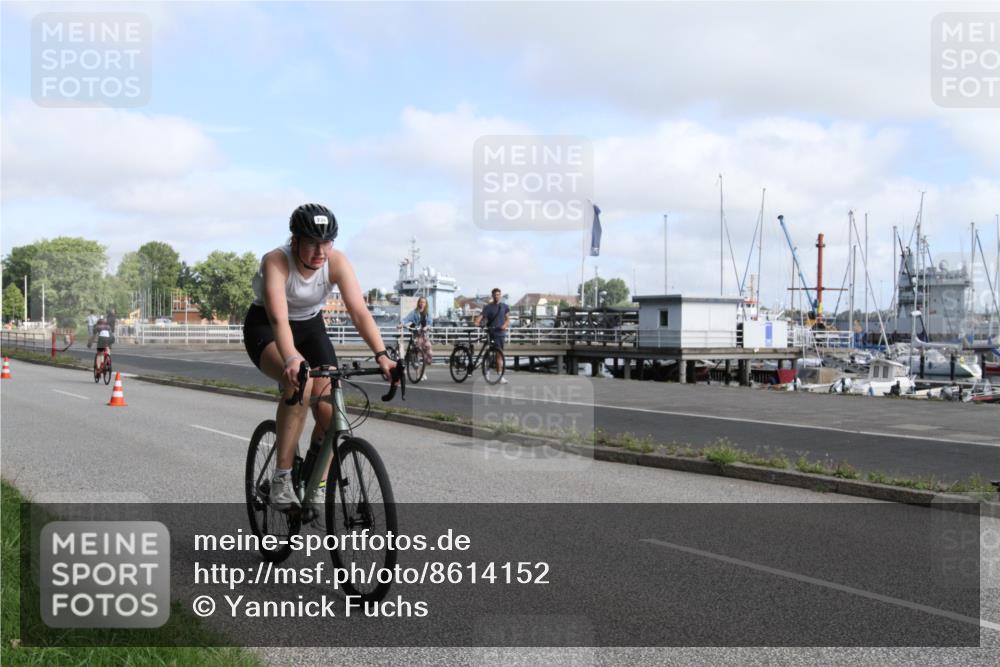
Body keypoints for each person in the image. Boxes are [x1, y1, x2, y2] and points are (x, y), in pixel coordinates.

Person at [243, 203, 396, 511]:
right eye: (312, 243)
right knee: (301, 385)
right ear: (295, 241)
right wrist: (291, 358)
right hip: (268, 327)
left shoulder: (336, 262)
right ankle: (282, 479)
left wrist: (382, 355)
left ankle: (316, 481)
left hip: (311, 328)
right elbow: (279, 319)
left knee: (330, 411)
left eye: (327, 243)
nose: (320, 251)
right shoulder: (276, 261)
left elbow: (358, 312)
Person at [474, 287, 509, 384]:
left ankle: (500, 375)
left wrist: (504, 325)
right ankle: (487, 372)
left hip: (500, 333)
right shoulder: (488, 307)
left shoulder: (504, 306)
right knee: (488, 353)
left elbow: (507, 319)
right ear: (492, 296)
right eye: (495, 295)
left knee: (499, 355)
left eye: (498, 294)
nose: (497, 296)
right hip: (491, 332)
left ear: (500, 295)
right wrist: (477, 322)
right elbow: (481, 316)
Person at [400, 296, 434, 365]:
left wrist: (427, 327)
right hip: (416, 333)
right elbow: (406, 319)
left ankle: (427, 362)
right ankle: (416, 363)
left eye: (423, 302)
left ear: (426, 304)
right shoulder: (414, 312)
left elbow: (430, 322)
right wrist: (401, 324)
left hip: (424, 334)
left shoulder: (427, 313)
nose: (422, 303)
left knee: (428, 347)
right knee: (418, 348)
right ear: (418, 303)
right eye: (421, 302)